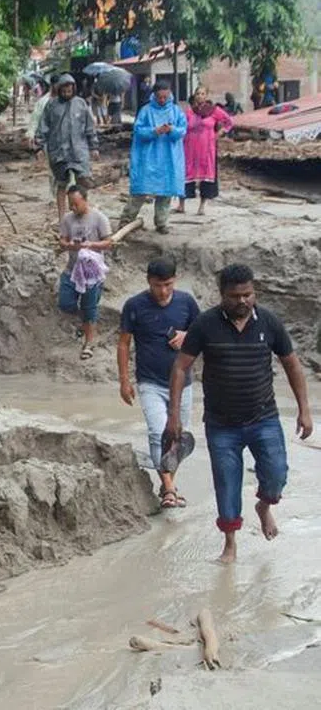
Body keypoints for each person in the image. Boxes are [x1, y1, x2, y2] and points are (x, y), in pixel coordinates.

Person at [166, 264, 313, 563]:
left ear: (254, 292)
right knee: (227, 482)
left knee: (276, 474)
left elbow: (292, 364)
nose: (243, 301)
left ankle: (264, 506)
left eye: (248, 295)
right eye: (235, 296)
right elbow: (181, 367)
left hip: (264, 418)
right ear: (222, 296)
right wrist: (174, 416)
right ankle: (230, 544)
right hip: (221, 424)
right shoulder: (205, 325)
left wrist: (304, 411)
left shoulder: (269, 322)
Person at [118, 257, 201, 508]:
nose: (163, 291)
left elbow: (204, 333)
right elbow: (124, 343)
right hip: (150, 382)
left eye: (167, 284)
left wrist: (187, 335)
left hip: (183, 383)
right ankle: (169, 488)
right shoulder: (134, 305)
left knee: (176, 438)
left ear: (175, 280)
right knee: (157, 433)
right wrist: (124, 380)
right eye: (157, 285)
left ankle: (168, 487)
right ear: (148, 282)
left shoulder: (187, 302)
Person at [120, 80, 187, 235]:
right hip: (148, 157)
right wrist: (154, 131)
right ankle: (126, 220)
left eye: (165, 97)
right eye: (159, 97)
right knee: (140, 190)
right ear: (154, 95)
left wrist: (172, 129)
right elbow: (138, 131)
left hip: (168, 158)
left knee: (165, 192)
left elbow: (183, 130)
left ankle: (161, 222)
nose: (162, 100)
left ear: (170, 94)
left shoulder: (176, 111)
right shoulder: (146, 110)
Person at [58, 186, 112, 360]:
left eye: (75, 204)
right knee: (65, 302)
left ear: (85, 200)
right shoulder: (67, 219)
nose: (73, 208)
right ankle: (84, 323)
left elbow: (108, 242)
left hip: (91, 272)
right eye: (70, 205)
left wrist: (91, 245)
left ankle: (89, 342)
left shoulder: (99, 218)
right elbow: (62, 240)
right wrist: (67, 245)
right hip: (71, 269)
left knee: (89, 308)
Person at [35, 74, 100, 220]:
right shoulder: (51, 105)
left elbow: (90, 127)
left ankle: (82, 212)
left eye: (69, 91)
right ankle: (62, 217)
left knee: (82, 182)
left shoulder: (81, 104)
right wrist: (39, 147)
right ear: (59, 90)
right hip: (58, 151)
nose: (66, 94)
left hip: (79, 150)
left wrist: (94, 146)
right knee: (61, 184)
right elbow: (43, 127)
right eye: (63, 91)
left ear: (73, 89)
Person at [179, 86, 233, 215]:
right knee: (185, 174)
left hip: (207, 148)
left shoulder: (214, 111)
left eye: (203, 94)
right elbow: (182, 126)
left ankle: (202, 206)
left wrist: (219, 133)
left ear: (206, 96)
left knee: (206, 175)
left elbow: (229, 122)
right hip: (190, 148)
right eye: (198, 93)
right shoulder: (189, 112)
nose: (200, 96)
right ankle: (181, 205)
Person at [27, 74, 58, 210]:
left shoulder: (67, 101)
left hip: (65, 141)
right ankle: (55, 195)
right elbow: (35, 119)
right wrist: (31, 136)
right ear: (52, 86)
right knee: (53, 170)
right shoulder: (43, 102)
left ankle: (67, 195)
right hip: (48, 141)